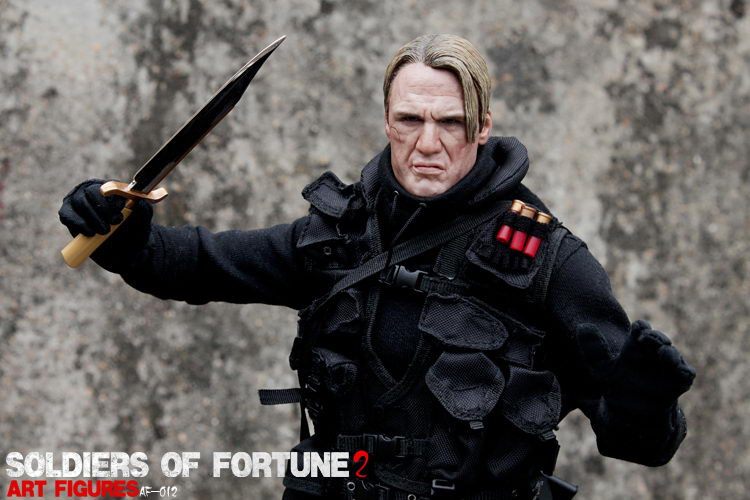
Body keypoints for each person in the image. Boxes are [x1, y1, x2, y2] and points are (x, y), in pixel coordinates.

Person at [59, 34, 695, 500]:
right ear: (387, 121)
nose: (427, 143)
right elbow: (197, 265)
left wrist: (644, 405)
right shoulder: (340, 233)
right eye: (409, 120)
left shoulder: (546, 259)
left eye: (450, 123)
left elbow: (643, 443)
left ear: (482, 126)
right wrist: (118, 230)